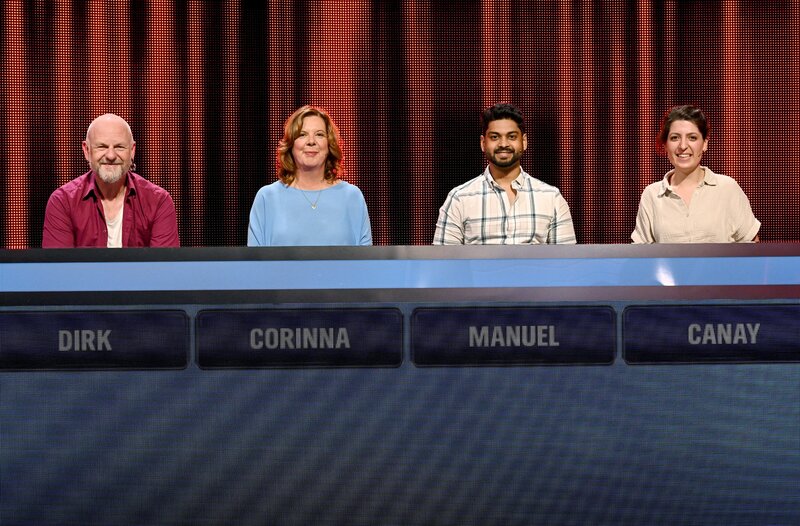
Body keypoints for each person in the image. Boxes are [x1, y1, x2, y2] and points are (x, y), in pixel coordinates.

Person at [433, 103, 576, 245]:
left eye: (512, 137)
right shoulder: (459, 198)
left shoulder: (551, 197)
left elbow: (567, 258)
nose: (503, 144)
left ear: (524, 141)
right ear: (483, 143)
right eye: (495, 137)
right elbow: (444, 258)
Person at [42, 114, 179, 248]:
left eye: (119, 147)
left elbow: (164, 263)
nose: (111, 156)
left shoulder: (159, 201)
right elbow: (58, 263)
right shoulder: (63, 202)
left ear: (132, 151)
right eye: (102, 147)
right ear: (87, 150)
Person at [632, 105, 760, 243]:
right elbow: (641, 251)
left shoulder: (727, 188)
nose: (683, 146)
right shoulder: (652, 195)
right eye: (675, 138)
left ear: (704, 144)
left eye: (692, 138)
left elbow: (752, 245)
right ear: (665, 145)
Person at [247, 105, 372, 246]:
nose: (311, 141)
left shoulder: (352, 197)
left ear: (329, 144)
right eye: (302, 134)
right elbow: (254, 259)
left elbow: (366, 258)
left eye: (319, 134)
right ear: (291, 144)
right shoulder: (267, 198)